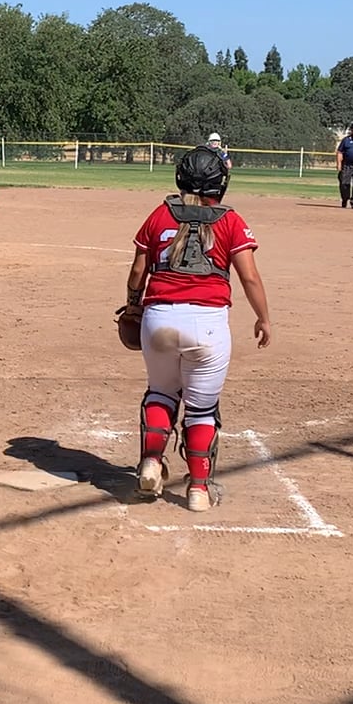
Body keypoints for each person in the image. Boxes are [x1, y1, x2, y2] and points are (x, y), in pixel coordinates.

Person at [124, 146, 271, 513]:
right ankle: (199, 490)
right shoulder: (230, 220)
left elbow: (138, 271)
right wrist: (263, 318)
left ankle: (151, 462)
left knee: (161, 393)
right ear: (221, 182)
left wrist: (133, 306)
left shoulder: (161, 213)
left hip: (158, 319)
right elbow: (250, 277)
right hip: (208, 326)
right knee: (202, 409)